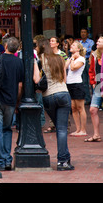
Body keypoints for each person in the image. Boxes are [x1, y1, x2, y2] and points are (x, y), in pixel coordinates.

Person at [0, 36, 24, 171]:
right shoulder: (19, 62)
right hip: (10, 100)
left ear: (6, 46)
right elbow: (20, 85)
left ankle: (0, 160)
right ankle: (7, 159)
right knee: (7, 129)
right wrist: (17, 101)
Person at [40, 39, 74, 171]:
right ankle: (63, 161)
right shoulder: (60, 59)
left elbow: (37, 79)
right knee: (62, 129)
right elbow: (65, 79)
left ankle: (64, 157)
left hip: (48, 96)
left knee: (59, 128)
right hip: (63, 93)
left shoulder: (41, 59)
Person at [65, 41, 87, 136]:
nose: (71, 46)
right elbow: (65, 67)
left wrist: (73, 59)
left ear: (78, 49)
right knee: (73, 108)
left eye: (73, 45)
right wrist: (71, 58)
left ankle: (83, 130)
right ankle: (78, 129)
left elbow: (73, 68)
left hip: (77, 84)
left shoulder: (81, 59)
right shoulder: (72, 58)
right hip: (69, 84)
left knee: (80, 107)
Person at [84, 34, 103, 143]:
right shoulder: (95, 55)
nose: (97, 43)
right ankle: (96, 134)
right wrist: (92, 82)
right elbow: (91, 69)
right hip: (97, 85)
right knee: (92, 109)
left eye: (99, 42)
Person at [80, 28, 95, 105]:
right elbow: (80, 51)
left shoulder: (91, 41)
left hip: (89, 61)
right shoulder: (79, 42)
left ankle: (94, 98)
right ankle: (87, 99)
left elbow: (91, 50)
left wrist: (84, 50)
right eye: (81, 32)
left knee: (91, 80)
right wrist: (85, 50)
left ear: (87, 34)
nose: (83, 34)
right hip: (82, 61)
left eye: (84, 32)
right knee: (84, 81)